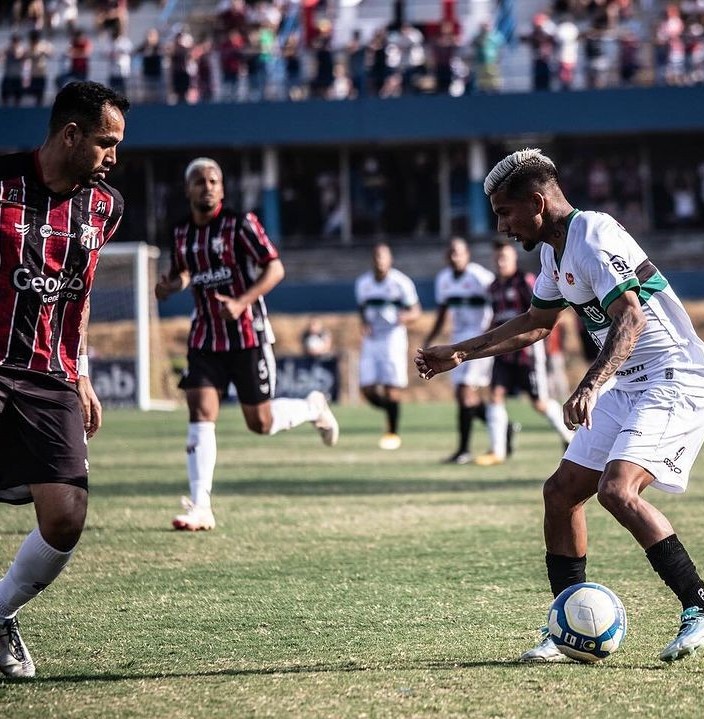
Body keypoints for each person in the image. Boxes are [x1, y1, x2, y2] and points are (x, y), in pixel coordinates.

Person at [416, 148, 704, 663]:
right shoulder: (553, 253)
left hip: (675, 378)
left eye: (504, 212)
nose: (501, 226)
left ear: (537, 203)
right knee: (561, 493)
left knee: (616, 489)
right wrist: (460, 351)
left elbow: (632, 318)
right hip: (630, 382)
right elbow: (537, 323)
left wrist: (589, 384)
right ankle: (566, 628)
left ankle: (703, 608)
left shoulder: (595, 235)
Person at [0, 81, 129, 678]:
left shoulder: (105, 206)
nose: (113, 155)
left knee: (67, 514)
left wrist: (82, 375)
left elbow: (81, 290)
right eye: (106, 142)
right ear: (71, 134)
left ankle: (0, 613)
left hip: (51, 372)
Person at [155, 158, 339, 532]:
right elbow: (182, 273)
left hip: (247, 336)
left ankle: (311, 406)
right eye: (199, 181)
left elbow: (275, 267)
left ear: (222, 188)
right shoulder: (179, 233)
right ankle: (201, 505)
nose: (207, 186)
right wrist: (170, 286)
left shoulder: (241, 225)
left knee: (261, 422)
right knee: (201, 412)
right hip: (205, 337)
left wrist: (240, 302)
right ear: (187, 189)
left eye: (213, 180)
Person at [474, 240, 576, 466]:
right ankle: (497, 452)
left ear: (514, 259)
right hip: (502, 353)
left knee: (539, 403)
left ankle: (571, 438)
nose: (501, 262)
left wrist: (549, 348)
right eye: (498, 258)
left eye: (505, 258)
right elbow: (495, 316)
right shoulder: (493, 287)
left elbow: (542, 315)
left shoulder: (526, 282)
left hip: (527, 353)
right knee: (495, 395)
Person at [423, 237, 495, 464]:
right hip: (457, 339)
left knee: (465, 391)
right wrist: (430, 338)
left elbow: (498, 301)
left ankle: (463, 450)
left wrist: (493, 336)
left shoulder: (480, 277)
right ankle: (502, 426)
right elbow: (443, 312)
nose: (455, 257)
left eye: (459, 252)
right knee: (463, 395)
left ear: (467, 255)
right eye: (452, 253)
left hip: (479, 340)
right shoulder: (443, 279)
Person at [355, 242, 421, 450]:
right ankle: (390, 410)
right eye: (376, 257)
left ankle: (392, 433)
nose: (379, 261)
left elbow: (416, 311)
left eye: (383, 257)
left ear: (390, 259)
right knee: (366, 388)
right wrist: (364, 324)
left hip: (393, 338)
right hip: (372, 339)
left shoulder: (401, 283)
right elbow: (362, 309)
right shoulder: (363, 283)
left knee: (392, 388)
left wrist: (405, 317)